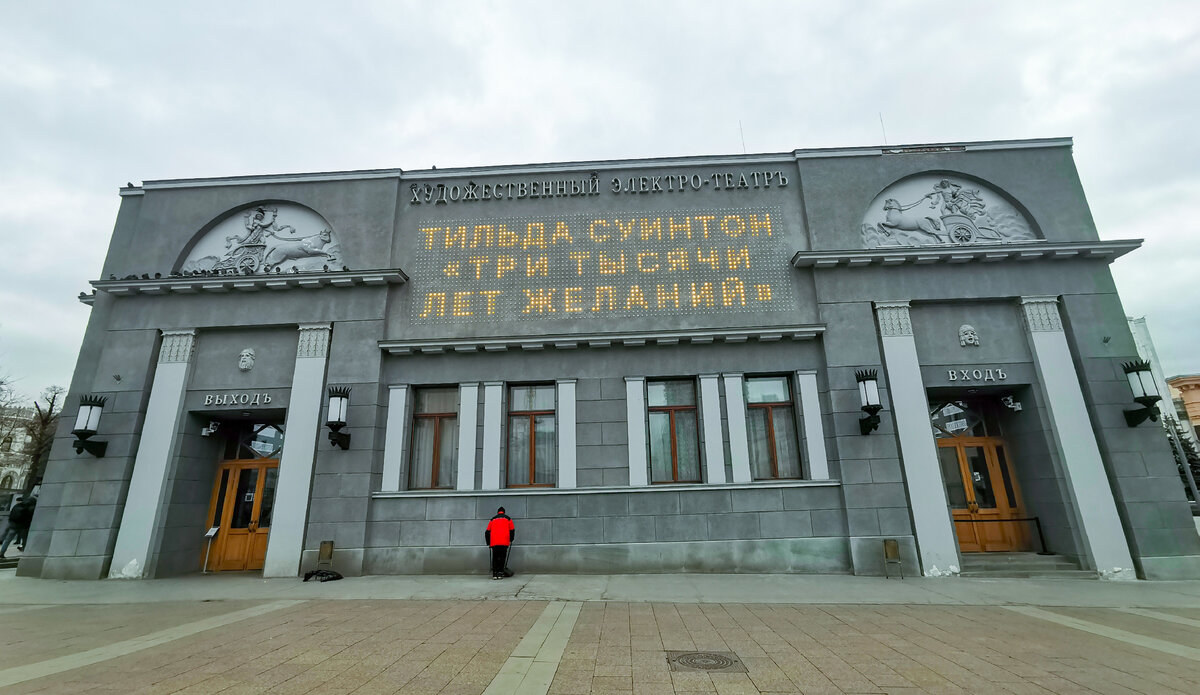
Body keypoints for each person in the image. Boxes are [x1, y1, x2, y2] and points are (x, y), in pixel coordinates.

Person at [484, 506, 515, 580]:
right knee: (502, 557)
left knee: (495, 557)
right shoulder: (508, 519)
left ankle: (494, 573)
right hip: (504, 542)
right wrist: (511, 539)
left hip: (494, 542)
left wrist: (488, 542)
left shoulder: (493, 519)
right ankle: (500, 573)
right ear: (504, 512)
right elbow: (512, 530)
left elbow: (487, 532)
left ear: (498, 512)